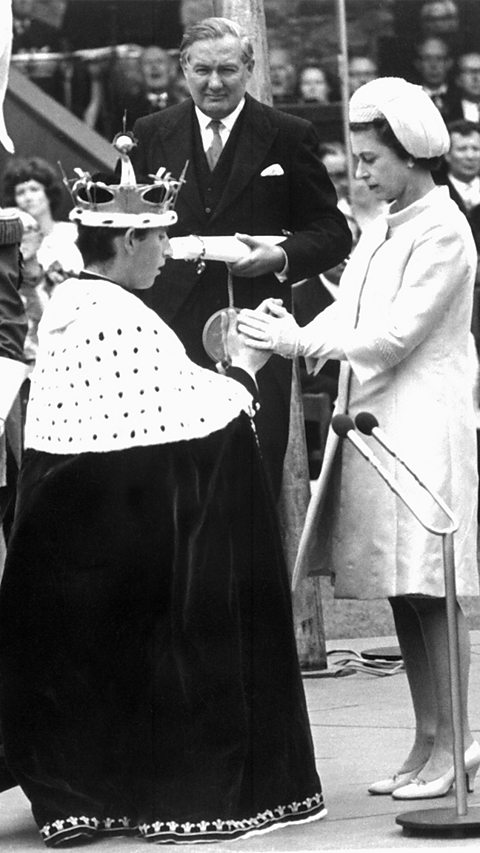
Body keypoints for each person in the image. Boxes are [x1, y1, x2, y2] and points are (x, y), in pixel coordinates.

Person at [0, 135, 326, 847]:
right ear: (128, 241)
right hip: (109, 526)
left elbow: (158, 401)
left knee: (89, 655)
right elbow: (197, 415)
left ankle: (90, 794)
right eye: (159, 241)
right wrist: (245, 367)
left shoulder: (70, 304)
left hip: (66, 521)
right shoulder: (117, 313)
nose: (166, 253)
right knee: (149, 642)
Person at [238, 76, 480, 800]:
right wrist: (291, 325)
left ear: (413, 155)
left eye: (373, 159)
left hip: (423, 423)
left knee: (433, 589)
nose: (362, 172)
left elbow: (394, 334)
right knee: (403, 592)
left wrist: (297, 342)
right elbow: (351, 310)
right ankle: (426, 740)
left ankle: (459, 744)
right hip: (375, 421)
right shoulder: (386, 222)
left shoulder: (443, 228)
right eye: (359, 158)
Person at [131, 16, 352, 501]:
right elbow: (123, 231)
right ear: (183, 68)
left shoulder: (287, 135)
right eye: (202, 69)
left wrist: (280, 256)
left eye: (228, 70)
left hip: (257, 333)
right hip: (166, 334)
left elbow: (333, 233)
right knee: (172, 485)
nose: (214, 83)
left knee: (251, 485)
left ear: (249, 67)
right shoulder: (149, 135)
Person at [2, 156, 82, 292]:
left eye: (34, 189)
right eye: (21, 192)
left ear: (48, 193)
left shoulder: (72, 233)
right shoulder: (17, 245)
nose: (28, 198)